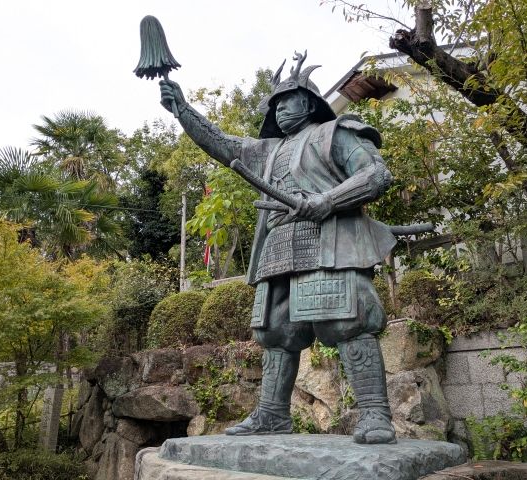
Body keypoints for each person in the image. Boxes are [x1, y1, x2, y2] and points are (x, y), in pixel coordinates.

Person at [159, 52, 397, 444]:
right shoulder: (268, 151)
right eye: (276, 104)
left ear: (309, 103)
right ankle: (271, 414)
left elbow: (376, 174)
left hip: (328, 239)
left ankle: (374, 413)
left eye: (288, 100)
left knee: (347, 320)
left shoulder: (336, 133)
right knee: (275, 330)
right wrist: (182, 109)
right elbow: (220, 143)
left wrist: (328, 201)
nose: (280, 108)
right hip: (278, 246)